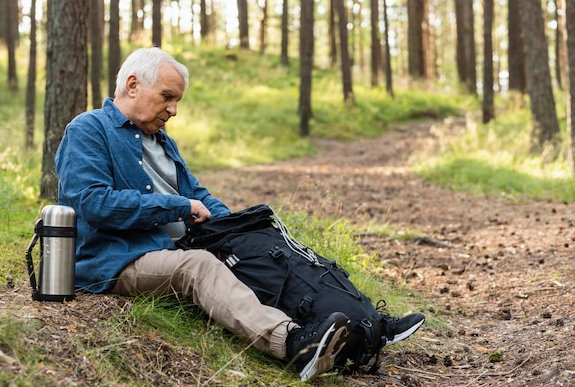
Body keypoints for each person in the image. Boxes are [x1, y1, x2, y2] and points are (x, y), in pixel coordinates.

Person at [55, 47, 423, 381]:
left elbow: (197, 194)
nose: (174, 110)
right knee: (198, 267)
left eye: (177, 100)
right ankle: (294, 344)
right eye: (167, 97)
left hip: (176, 246)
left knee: (265, 244)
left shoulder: (162, 141)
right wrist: (177, 207)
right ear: (132, 85)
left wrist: (237, 227)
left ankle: (366, 323)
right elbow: (94, 203)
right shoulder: (88, 130)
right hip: (119, 258)